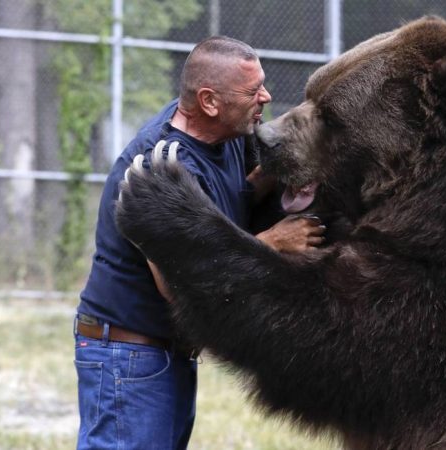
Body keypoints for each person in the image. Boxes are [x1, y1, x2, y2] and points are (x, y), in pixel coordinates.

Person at [73, 36, 324, 450]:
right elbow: (179, 285)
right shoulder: (161, 169)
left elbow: (239, 193)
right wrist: (273, 244)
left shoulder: (227, 137)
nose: (267, 95)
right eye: (252, 90)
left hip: (167, 354)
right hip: (129, 355)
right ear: (209, 102)